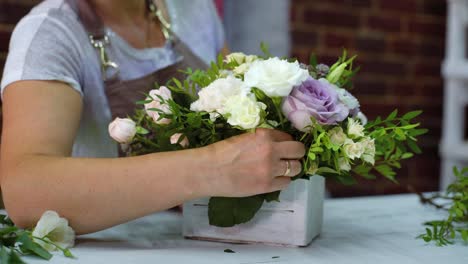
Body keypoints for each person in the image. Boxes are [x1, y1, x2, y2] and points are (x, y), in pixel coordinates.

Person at [0, 0, 305, 235]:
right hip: (114, 246)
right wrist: (211, 167)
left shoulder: (193, 9)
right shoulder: (50, 34)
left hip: (204, 238)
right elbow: (26, 191)